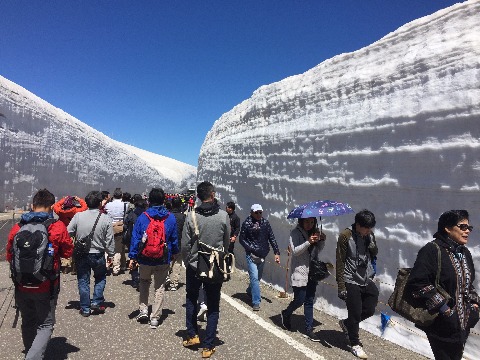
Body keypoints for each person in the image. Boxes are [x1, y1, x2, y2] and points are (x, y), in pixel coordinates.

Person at [7, 189, 74, 359]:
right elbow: (67, 252)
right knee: (45, 324)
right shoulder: (57, 226)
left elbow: (9, 255)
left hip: (21, 284)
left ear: (32, 205)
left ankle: (31, 352)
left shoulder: (18, 227)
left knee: (28, 320)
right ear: (51, 207)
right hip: (46, 284)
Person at [406, 210, 479, 360]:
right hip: (441, 323)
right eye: (462, 227)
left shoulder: (464, 253)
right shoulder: (432, 250)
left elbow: (468, 284)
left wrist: (475, 306)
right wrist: (445, 310)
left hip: (463, 323)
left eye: (469, 228)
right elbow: (418, 283)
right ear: (447, 228)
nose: (467, 231)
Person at [181, 181, 230, 358]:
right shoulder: (224, 216)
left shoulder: (191, 216)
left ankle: (192, 335)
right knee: (213, 305)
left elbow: (185, 245)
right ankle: (208, 346)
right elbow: (225, 243)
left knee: (192, 298)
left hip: (194, 265)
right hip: (214, 266)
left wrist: (188, 261)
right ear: (213, 194)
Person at [128, 188, 179, 329]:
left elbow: (136, 238)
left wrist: (132, 256)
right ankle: (155, 317)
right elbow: (174, 238)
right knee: (159, 286)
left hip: (145, 257)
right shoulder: (170, 217)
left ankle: (143, 310)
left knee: (144, 282)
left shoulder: (143, 217)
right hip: (163, 257)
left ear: (149, 200)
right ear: (164, 200)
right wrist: (174, 253)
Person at [336, 209, 378, 359]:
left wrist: (372, 244)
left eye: (370, 228)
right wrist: (341, 286)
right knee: (355, 312)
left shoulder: (369, 235)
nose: (368, 231)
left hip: (365, 277)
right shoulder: (345, 236)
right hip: (350, 278)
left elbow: (374, 253)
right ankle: (354, 343)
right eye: (366, 228)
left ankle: (347, 324)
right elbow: (340, 261)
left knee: (370, 308)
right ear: (358, 225)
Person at [67, 191, 115, 317]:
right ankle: (97, 302)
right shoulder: (105, 218)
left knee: (83, 280)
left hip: (82, 253)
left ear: (86, 203)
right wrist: (111, 254)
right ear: (100, 203)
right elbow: (109, 239)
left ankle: (85, 307)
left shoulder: (78, 216)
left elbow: (68, 232)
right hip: (98, 253)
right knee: (100, 278)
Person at [280, 217, 326, 341]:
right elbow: (295, 251)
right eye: (307, 222)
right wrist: (308, 242)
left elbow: (317, 251)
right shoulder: (295, 233)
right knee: (299, 299)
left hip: (312, 272)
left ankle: (309, 329)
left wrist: (321, 241)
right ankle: (286, 313)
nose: (309, 225)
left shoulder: (314, 232)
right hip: (299, 271)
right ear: (301, 221)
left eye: (312, 222)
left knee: (309, 300)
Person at [239, 203, 281, 311]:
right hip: (251, 255)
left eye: (260, 212)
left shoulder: (265, 223)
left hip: (262, 254)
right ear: (251, 212)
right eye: (256, 212)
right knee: (254, 277)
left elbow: (272, 238)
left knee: (257, 277)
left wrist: (276, 252)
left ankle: (249, 291)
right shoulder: (247, 223)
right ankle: (256, 302)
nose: (258, 214)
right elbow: (242, 239)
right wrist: (251, 248)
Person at [52, 195, 88, 274]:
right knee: (75, 249)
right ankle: (74, 267)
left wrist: (64, 199)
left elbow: (55, 206)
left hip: (64, 231)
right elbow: (85, 206)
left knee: (66, 248)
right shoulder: (76, 211)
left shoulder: (60, 211)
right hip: (75, 231)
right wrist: (79, 199)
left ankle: (65, 266)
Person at [122, 194, 147, 289]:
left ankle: (135, 277)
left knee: (133, 257)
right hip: (144, 240)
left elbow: (125, 225)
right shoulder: (147, 215)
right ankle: (143, 277)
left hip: (131, 239)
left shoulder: (131, 214)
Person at [105, 188, 128, 275]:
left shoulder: (108, 205)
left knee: (107, 248)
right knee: (118, 249)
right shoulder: (125, 205)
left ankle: (107, 265)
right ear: (121, 195)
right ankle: (116, 268)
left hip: (109, 226)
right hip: (119, 227)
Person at [165, 196, 186, 291]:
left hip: (167, 243)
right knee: (177, 264)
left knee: (167, 261)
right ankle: (174, 283)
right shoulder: (183, 217)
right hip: (179, 243)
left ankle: (166, 277)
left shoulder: (166, 215)